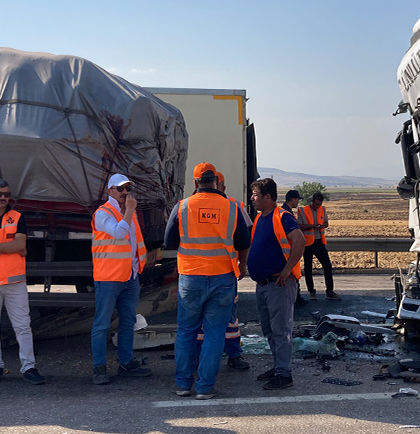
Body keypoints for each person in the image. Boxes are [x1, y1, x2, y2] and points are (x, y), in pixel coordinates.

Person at [164, 162, 250, 399]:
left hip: (191, 278)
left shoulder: (182, 207)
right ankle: (204, 387)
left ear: (195, 182)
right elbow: (244, 241)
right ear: (216, 181)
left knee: (186, 331)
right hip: (223, 278)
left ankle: (183, 384)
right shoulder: (231, 207)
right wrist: (241, 266)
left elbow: (169, 242)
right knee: (214, 333)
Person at [0, 179, 45, 385]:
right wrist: (11, 246)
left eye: (6, 194)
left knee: (23, 325)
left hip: (15, 281)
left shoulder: (18, 217)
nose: (3, 197)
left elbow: (20, 244)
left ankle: (29, 367)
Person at [90, 173, 152, 385]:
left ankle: (126, 363)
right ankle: (99, 367)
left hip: (130, 275)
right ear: (110, 191)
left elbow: (132, 242)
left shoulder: (129, 213)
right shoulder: (103, 213)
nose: (125, 193)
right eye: (120, 189)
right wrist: (130, 211)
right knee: (102, 324)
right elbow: (118, 233)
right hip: (109, 277)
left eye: (128, 188)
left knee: (127, 322)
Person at [248, 178, 305, 390]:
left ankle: (284, 374)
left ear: (268, 197)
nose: (253, 199)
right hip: (263, 284)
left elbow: (299, 241)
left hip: (278, 284)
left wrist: (288, 269)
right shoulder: (260, 219)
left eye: (256, 195)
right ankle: (278, 366)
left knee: (281, 330)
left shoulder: (282, 217)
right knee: (269, 329)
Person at [298, 192, 340, 300]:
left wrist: (325, 225)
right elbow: (299, 226)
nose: (318, 206)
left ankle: (329, 291)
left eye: (319, 204)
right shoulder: (303, 210)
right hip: (308, 243)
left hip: (319, 242)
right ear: (312, 201)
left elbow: (326, 222)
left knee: (327, 266)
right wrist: (311, 226)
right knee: (308, 268)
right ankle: (311, 291)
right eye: (316, 204)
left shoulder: (323, 210)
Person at [283, 190, 308, 306]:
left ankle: (296, 297)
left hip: (286, 252)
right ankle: (295, 298)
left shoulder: (285, 212)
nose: (298, 202)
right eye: (297, 199)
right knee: (292, 275)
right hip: (287, 253)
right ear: (293, 199)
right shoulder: (286, 215)